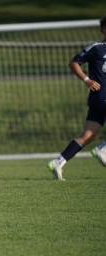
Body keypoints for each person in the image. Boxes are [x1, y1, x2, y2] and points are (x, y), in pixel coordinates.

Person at [47, 15, 106, 180]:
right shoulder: (97, 48)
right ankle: (103, 150)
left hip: (98, 100)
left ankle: (58, 162)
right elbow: (74, 62)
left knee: (88, 135)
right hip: (101, 95)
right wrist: (87, 80)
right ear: (102, 30)